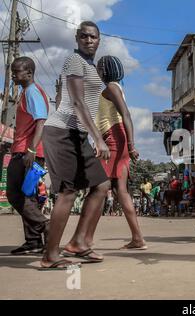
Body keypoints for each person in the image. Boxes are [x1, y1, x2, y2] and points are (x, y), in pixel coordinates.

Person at [40, 21, 111, 270]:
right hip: (61, 132)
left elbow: (77, 100)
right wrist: (99, 139)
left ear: (99, 40)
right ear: (77, 38)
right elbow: (78, 103)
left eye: (93, 37)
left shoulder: (91, 66)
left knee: (102, 185)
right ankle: (50, 255)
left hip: (77, 134)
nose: (88, 40)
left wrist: (90, 136)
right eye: (84, 36)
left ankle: (79, 242)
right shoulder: (74, 61)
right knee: (67, 192)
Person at [80, 55, 146, 249]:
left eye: (99, 69)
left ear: (104, 71)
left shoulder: (111, 88)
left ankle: (86, 239)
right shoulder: (116, 88)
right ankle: (137, 238)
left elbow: (126, 114)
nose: (97, 72)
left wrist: (132, 145)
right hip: (116, 139)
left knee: (99, 189)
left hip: (114, 140)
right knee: (119, 190)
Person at [6, 56, 49, 255]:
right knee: (27, 197)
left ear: (29, 73)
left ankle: (46, 227)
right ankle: (33, 242)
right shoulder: (26, 92)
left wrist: (31, 150)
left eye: (17, 71)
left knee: (16, 195)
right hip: (22, 150)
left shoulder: (32, 92)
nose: (13, 75)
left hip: (27, 153)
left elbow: (41, 121)